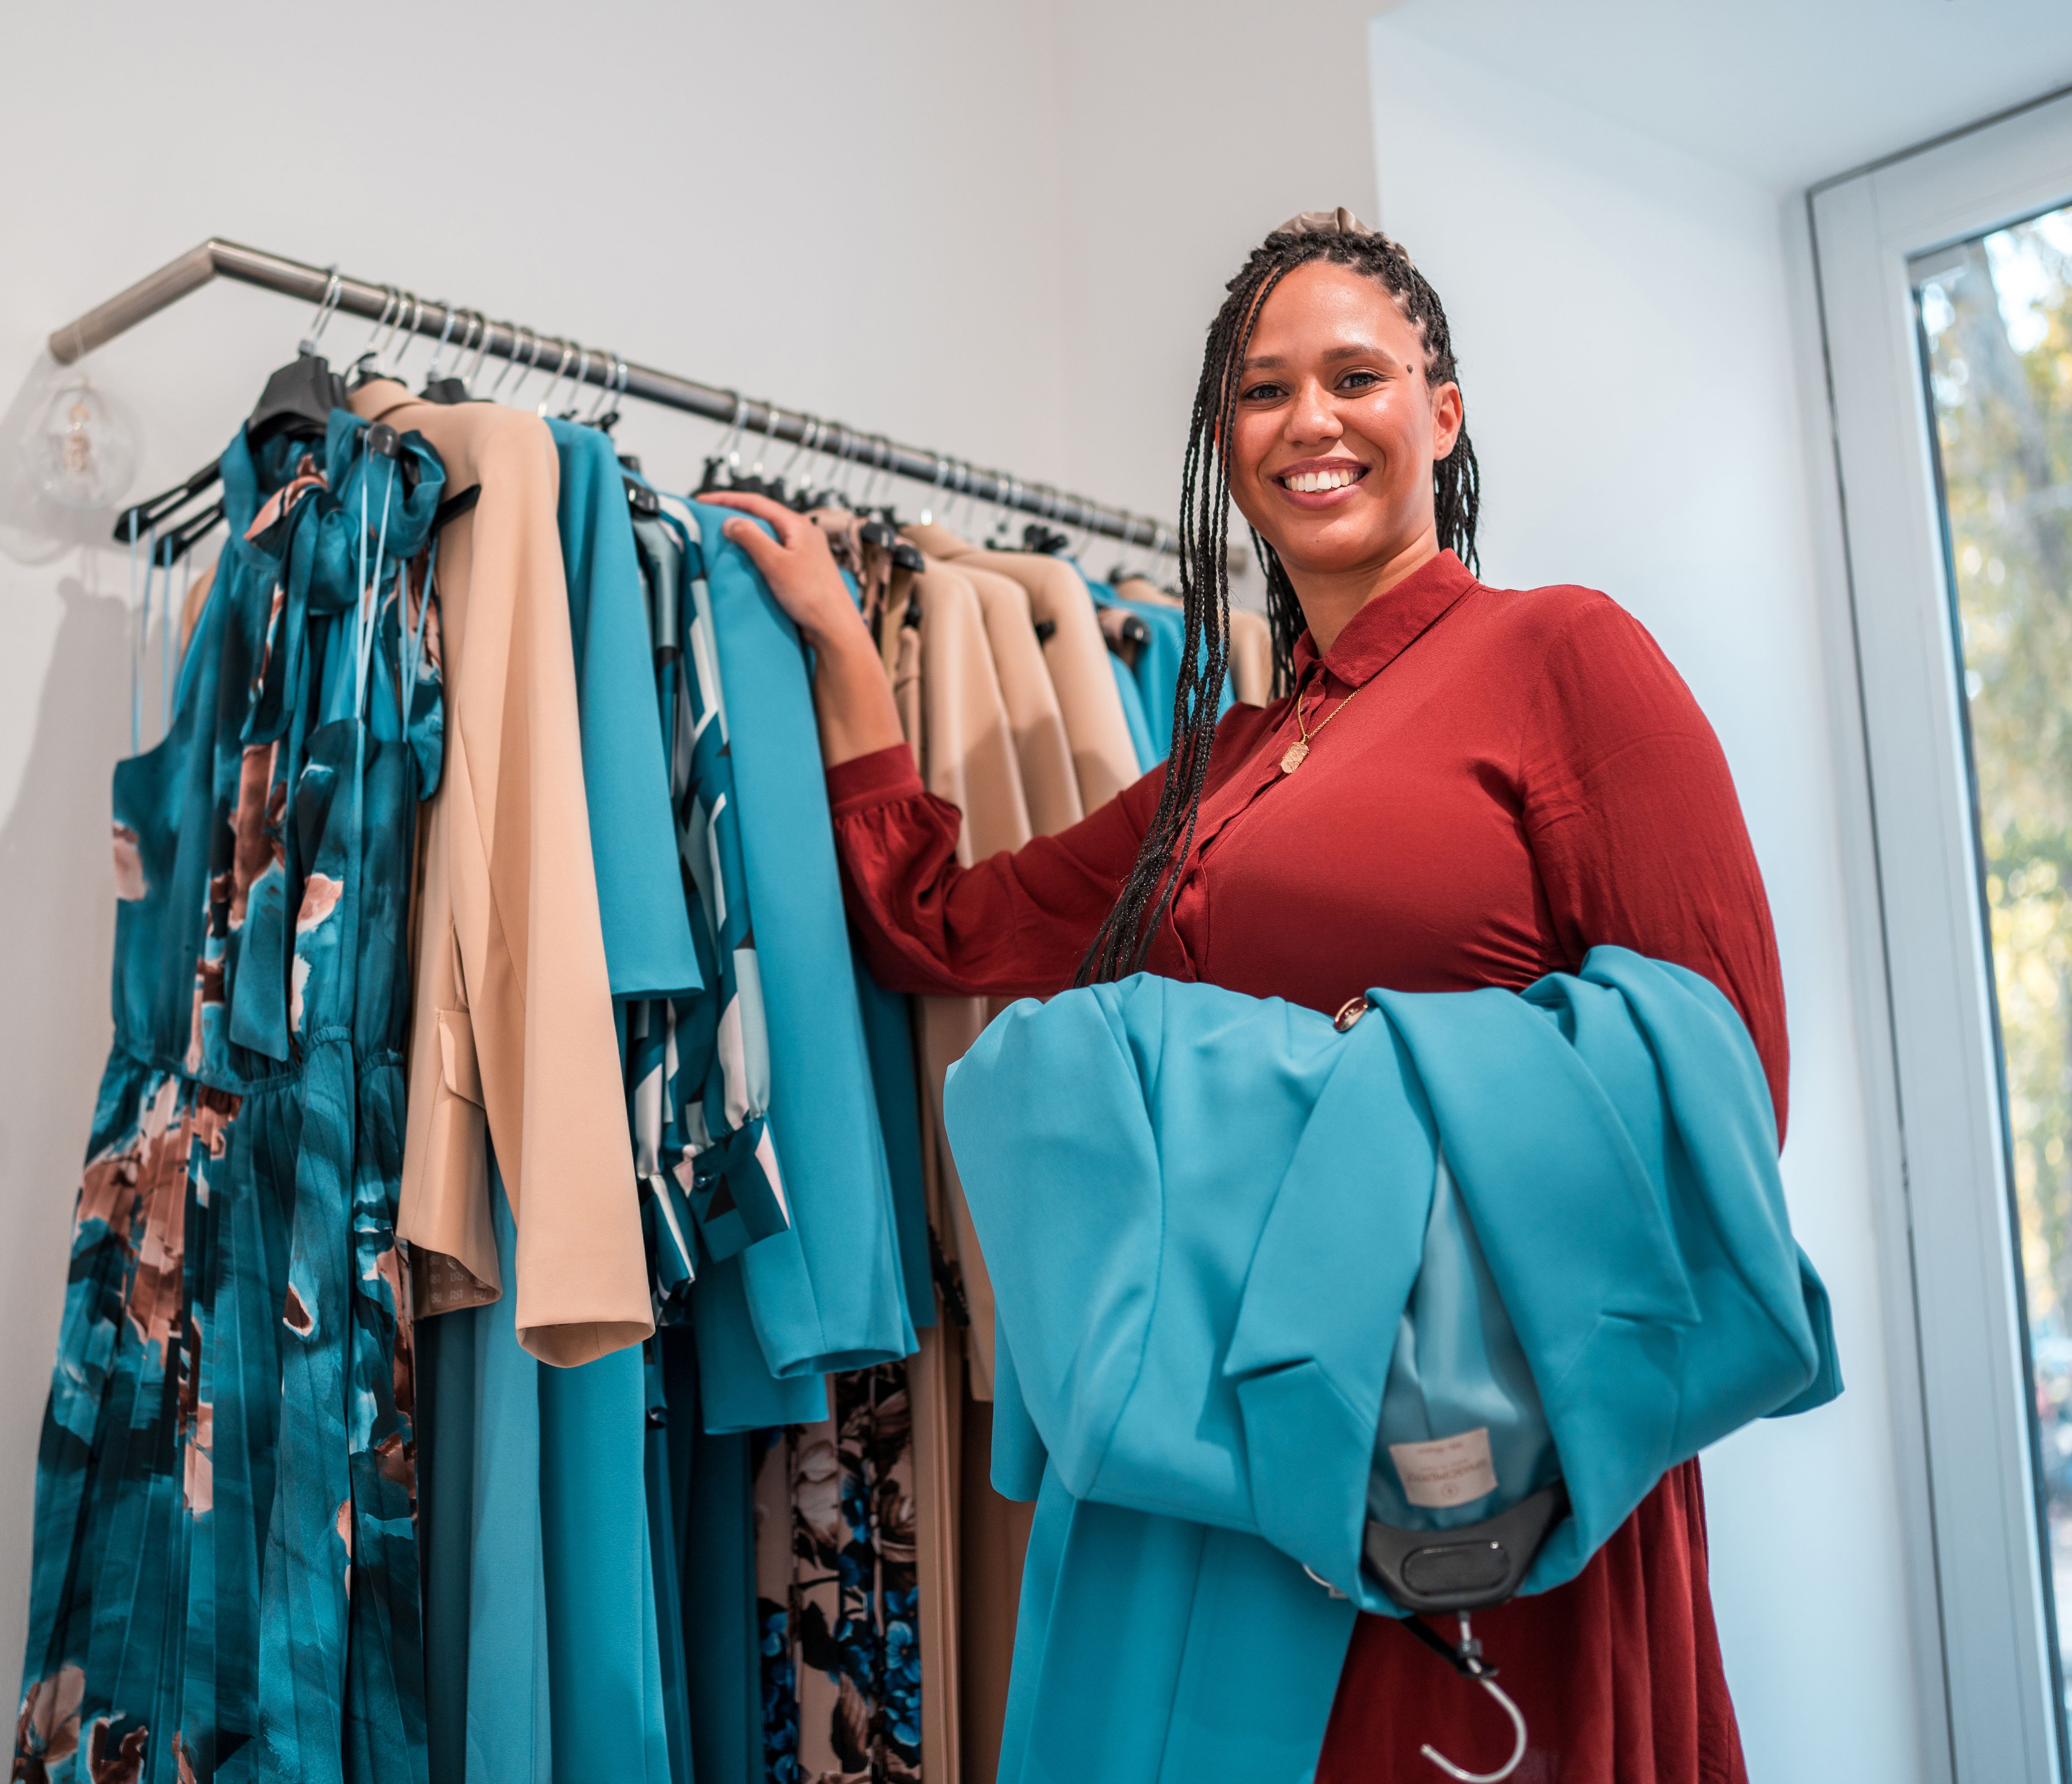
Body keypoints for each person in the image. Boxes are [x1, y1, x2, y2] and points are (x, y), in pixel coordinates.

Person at [708, 207, 1790, 1782]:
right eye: (1263, 392)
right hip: (1209, 1454)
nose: (1309, 423)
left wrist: (1339, 1081)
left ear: (1442, 412)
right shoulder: (1224, 760)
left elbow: (1723, 1090)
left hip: (1469, 1436)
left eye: (1356, 376)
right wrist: (839, 651)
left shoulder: (1565, 656)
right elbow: (938, 930)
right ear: (1227, 443)